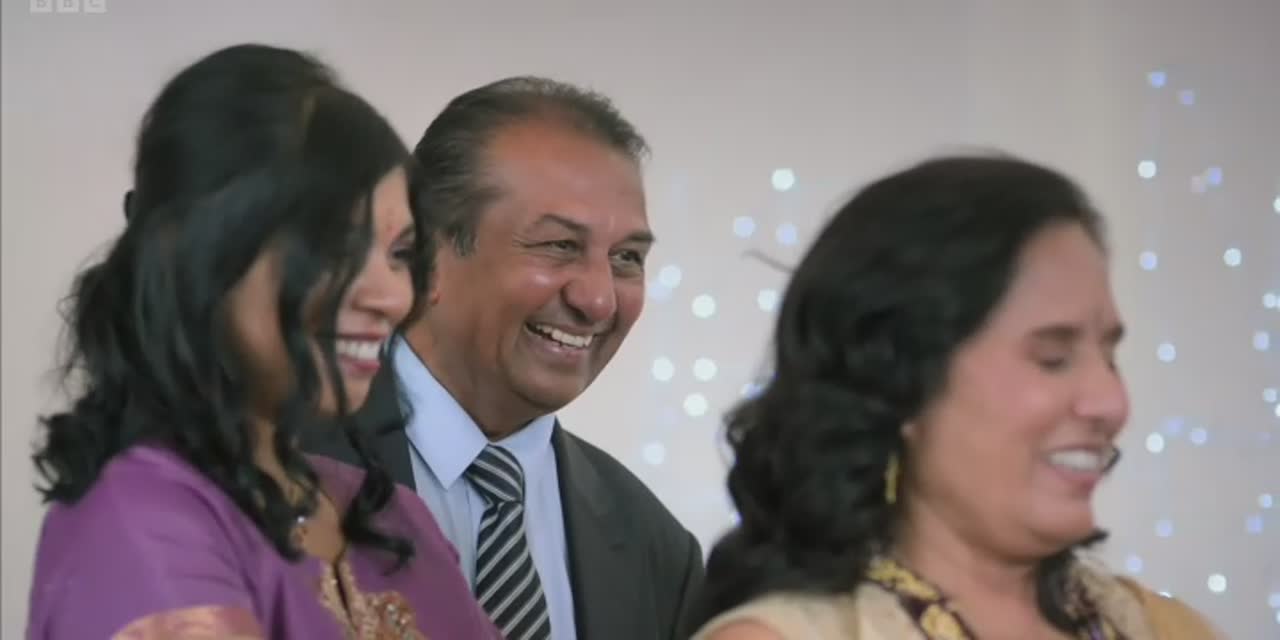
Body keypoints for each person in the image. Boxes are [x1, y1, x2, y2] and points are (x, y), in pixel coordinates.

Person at [26, 44, 500, 640]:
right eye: (335, 245)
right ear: (199, 253)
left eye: (400, 254)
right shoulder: (141, 515)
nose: (390, 296)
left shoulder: (392, 515)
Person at [686, 155, 1223, 639]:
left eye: (1109, 357)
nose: (1111, 403)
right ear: (900, 381)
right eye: (1052, 358)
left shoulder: (1163, 628)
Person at [304, 77, 704, 640]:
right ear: (426, 252)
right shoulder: (277, 465)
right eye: (559, 245)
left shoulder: (655, 549)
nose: (598, 300)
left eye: (627, 258)